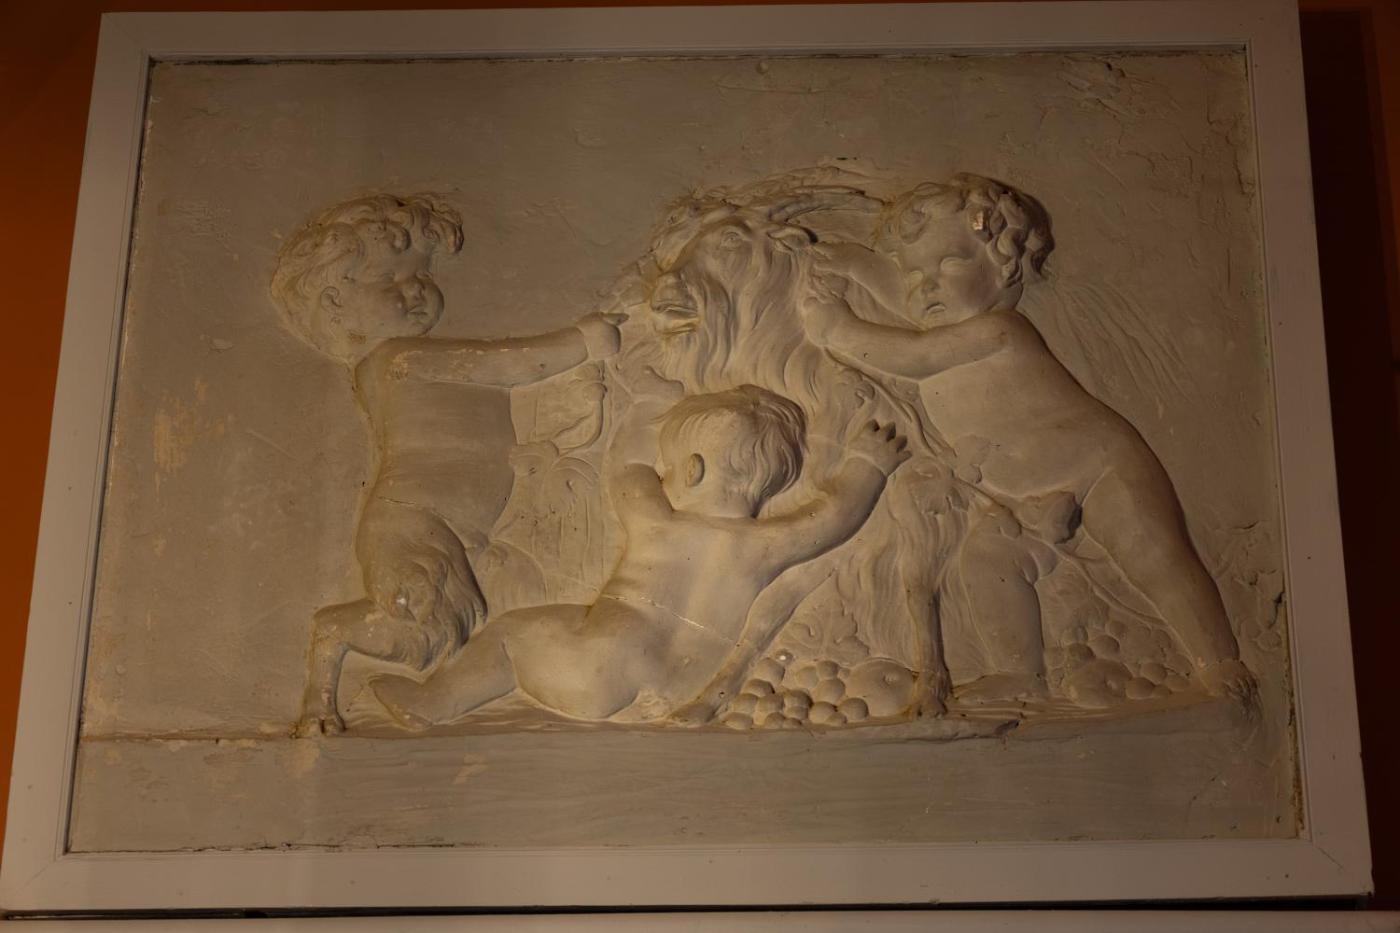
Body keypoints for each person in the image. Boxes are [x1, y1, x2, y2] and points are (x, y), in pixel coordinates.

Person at [800, 174, 1253, 704]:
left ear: (1005, 269)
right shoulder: (946, 320)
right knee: (986, 563)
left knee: (1155, 558)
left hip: (1099, 467)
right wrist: (854, 265)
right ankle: (1020, 675)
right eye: (915, 273)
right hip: (1022, 499)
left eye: (950, 263)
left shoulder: (999, 331)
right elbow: (916, 305)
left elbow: (915, 357)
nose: (927, 285)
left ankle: (1218, 661)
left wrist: (836, 329)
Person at [270, 193, 622, 734]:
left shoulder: (406, 362)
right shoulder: (398, 360)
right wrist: (581, 342)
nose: (414, 289)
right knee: (414, 622)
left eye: (421, 275)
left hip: (453, 526)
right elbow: (510, 365)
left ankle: (434, 687)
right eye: (389, 279)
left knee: (444, 623)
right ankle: (327, 666)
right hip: (415, 521)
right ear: (337, 302)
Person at [370, 383, 910, 727]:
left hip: (597, 663)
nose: (663, 474)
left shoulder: (659, 523)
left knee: (511, 633)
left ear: (691, 470)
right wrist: (868, 465)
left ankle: (433, 703)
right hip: (672, 687)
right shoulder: (762, 546)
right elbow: (834, 518)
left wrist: (645, 407)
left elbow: (627, 473)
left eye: (669, 467)